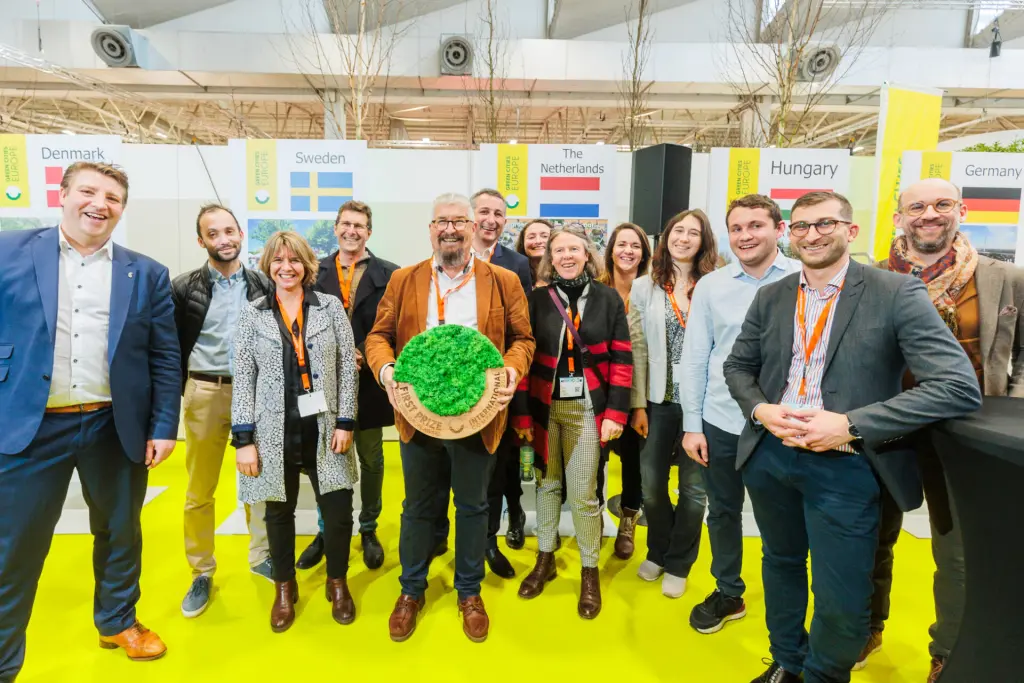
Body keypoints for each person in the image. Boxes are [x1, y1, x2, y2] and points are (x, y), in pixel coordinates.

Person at [722, 190, 983, 683]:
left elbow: (956, 386)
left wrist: (850, 424)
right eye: (801, 226)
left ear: (851, 230)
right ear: (789, 234)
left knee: (841, 591)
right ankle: (788, 661)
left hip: (846, 465)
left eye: (825, 223)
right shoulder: (772, 295)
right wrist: (761, 408)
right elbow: (738, 365)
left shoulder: (894, 292)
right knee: (779, 564)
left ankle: (823, 675)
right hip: (771, 457)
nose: (812, 235)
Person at [0, 161, 181, 676]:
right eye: (88, 191)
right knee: (15, 545)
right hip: (30, 425)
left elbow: (164, 356)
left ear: (122, 209)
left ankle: (117, 621)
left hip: (113, 425)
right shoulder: (9, 250)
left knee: (121, 530)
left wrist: (163, 425)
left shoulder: (145, 272)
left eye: (113, 198)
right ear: (63, 194)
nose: (100, 204)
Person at [858, 178, 1024, 680]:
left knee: (957, 551)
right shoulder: (870, 279)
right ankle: (865, 628)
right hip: (886, 423)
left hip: (969, 431)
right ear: (899, 218)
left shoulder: (1005, 278)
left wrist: (1011, 409)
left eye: (942, 204)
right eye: (917, 207)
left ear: (961, 210)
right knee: (870, 535)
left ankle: (948, 649)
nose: (929, 214)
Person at [365, 192, 534, 643]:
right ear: (431, 230)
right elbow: (378, 336)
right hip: (417, 416)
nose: (450, 229)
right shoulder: (404, 279)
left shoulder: (503, 281)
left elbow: (523, 339)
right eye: (442, 222)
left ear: (473, 228)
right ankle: (411, 590)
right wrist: (387, 372)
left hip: (479, 416)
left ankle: (469, 592)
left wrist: (511, 371)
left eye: (459, 221)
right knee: (418, 507)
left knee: (474, 506)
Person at [680, 194, 800, 635]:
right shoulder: (712, 285)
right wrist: (692, 425)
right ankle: (728, 591)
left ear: (779, 229)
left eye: (755, 226)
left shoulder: (803, 276)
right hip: (722, 421)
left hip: (785, 426)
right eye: (736, 228)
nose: (745, 236)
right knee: (723, 511)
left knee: (781, 521)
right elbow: (696, 356)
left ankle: (788, 611)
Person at [230, 231, 359, 633]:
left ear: (307, 265)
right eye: (278, 260)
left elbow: (346, 368)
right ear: (267, 265)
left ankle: (337, 582)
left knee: (338, 511)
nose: (287, 267)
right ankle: (284, 587)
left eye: (295, 260)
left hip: (325, 426)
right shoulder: (253, 313)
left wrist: (346, 421)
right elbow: (243, 378)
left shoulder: (330, 307)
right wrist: (244, 440)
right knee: (278, 513)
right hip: (273, 430)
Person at [513, 225, 633, 618]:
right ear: (551, 258)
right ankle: (545, 558)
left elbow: (622, 359)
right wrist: (522, 415)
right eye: (559, 250)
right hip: (544, 406)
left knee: (583, 493)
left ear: (587, 255)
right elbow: (524, 359)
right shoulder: (536, 300)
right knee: (546, 485)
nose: (566, 256)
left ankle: (589, 569)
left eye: (574, 250)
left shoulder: (608, 298)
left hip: (588, 408)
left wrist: (616, 413)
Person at [172, 204, 275, 618]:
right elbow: (170, 346)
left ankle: (261, 555)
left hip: (256, 393)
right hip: (205, 390)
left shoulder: (264, 283)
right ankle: (201, 571)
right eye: (213, 233)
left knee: (257, 481)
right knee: (200, 489)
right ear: (201, 241)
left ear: (241, 234)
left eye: (230, 230)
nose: (224, 239)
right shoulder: (184, 288)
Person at [296, 200, 399, 573]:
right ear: (336, 227)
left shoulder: (391, 274)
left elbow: (396, 325)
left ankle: (368, 527)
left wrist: (363, 353)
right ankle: (327, 530)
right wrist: (338, 355)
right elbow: (299, 320)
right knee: (326, 458)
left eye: (359, 225)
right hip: (323, 383)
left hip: (370, 382)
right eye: (346, 224)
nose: (351, 231)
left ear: (368, 232)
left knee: (371, 458)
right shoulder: (313, 271)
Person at [629, 210, 716, 599]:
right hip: (659, 400)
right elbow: (637, 348)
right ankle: (658, 551)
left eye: (693, 232)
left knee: (694, 490)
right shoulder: (645, 286)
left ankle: (679, 563)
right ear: (665, 238)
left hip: (704, 403)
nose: (684, 238)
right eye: (677, 231)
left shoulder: (716, 284)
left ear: (704, 241)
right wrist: (637, 404)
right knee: (651, 485)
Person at [466, 188, 533, 579]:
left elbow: (521, 328)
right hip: (454, 382)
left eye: (498, 214)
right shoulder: (449, 256)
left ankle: (488, 541)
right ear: (470, 217)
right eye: (484, 212)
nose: (491, 220)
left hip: (498, 384)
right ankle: (445, 536)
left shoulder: (517, 264)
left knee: (494, 466)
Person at [597, 222, 652, 560]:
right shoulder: (595, 288)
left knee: (634, 463)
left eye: (635, 245)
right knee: (594, 462)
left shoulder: (653, 291)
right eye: (621, 244)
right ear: (611, 250)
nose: (627, 251)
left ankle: (627, 522)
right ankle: (592, 520)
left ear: (644, 253)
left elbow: (647, 351)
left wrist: (639, 404)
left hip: (638, 392)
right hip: (599, 393)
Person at [515, 219, 553, 286]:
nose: (538, 241)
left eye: (544, 236)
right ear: (522, 243)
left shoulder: (565, 276)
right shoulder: (513, 275)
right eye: (531, 237)